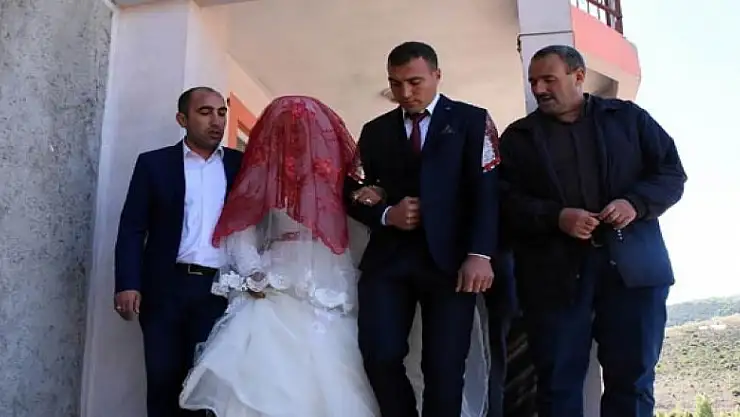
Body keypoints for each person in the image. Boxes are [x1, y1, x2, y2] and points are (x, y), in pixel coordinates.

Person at [499, 45, 687, 417]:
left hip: (633, 271)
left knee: (633, 382)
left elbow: (671, 173)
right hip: (553, 277)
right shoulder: (519, 138)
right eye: (533, 81)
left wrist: (634, 204)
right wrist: (556, 217)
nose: (539, 89)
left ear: (579, 76)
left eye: (549, 79)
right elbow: (504, 201)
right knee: (556, 384)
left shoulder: (628, 119)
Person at [178, 95, 385, 417]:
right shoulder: (263, 179)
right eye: (288, 131)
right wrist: (253, 271)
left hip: (328, 281)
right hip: (274, 281)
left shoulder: (337, 181)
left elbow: (356, 234)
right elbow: (241, 230)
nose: (296, 139)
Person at [345, 41, 512, 417]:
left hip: (453, 264)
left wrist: (480, 253)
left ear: (437, 75)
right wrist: (386, 213)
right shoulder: (375, 131)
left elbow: (488, 193)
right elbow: (352, 190)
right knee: (379, 354)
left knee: (444, 369)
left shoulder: (473, 121)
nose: (405, 93)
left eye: (414, 82)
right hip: (388, 263)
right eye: (395, 84)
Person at [114, 87, 244, 417]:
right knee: (162, 381)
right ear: (182, 119)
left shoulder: (240, 166)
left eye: (222, 113)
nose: (216, 121)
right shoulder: (154, 164)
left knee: (202, 388)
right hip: (165, 288)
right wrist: (128, 283)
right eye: (205, 112)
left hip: (218, 291)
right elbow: (133, 227)